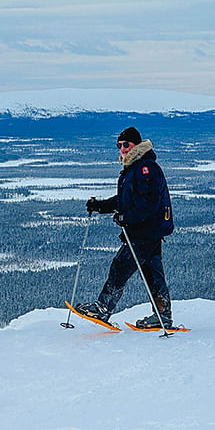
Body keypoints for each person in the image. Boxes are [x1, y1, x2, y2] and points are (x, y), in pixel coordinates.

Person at [76, 127, 175, 328]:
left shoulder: (145, 168)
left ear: (136, 145)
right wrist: (101, 206)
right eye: (119, 145)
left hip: (144, 232)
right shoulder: (135, 167)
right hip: (149, 231)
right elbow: (125, 200)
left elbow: (149, 203)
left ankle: (103, 308)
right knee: (152, 274)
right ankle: (162, 315)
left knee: (120, 267)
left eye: (126, 145)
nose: (122, 149)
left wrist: (125, 218)